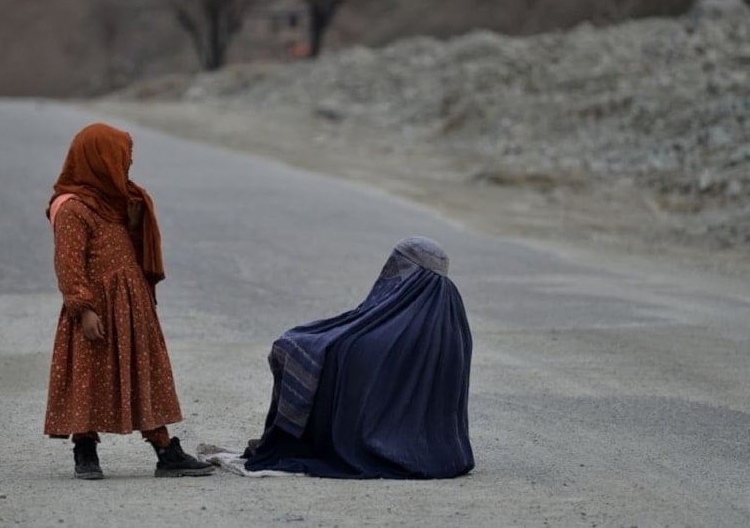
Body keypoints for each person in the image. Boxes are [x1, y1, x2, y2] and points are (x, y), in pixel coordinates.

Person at [43, 123, 214, 479]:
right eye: (122, 157)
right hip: (96, 308)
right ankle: (85, 450)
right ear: (100, 159)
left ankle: (165, 449)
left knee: (145, 372)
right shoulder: (72, 207)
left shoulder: (118, 200)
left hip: (131, 305)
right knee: (89, 375)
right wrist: (84, 308)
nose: (128, 164)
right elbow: (68, 264)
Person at [244, 236, 475, 479]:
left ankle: (297, 441)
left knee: (313, 352)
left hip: (379, 446)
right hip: (447, 452)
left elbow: (365, 351)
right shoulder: (447, 310)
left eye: (398, 266)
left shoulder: (404, 312)